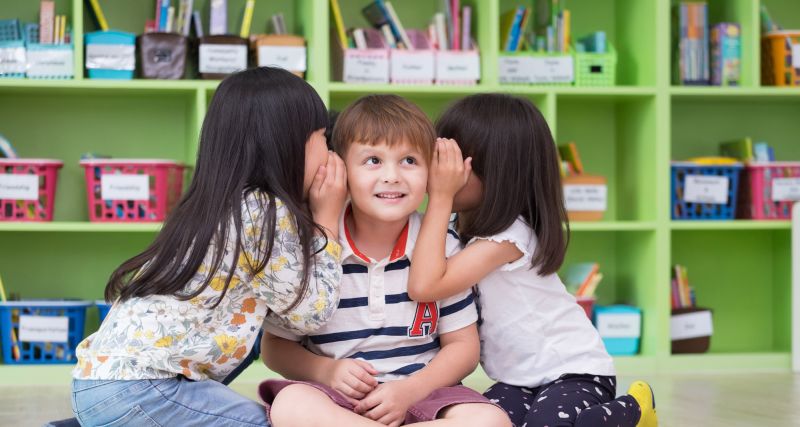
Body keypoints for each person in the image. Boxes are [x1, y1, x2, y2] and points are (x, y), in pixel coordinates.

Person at [70, 67, 348, 427]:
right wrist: (327, 220)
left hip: (99, 385)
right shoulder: (264, 211)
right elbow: (311, 313)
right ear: (289, 143)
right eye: (323, 138)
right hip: (142, 390)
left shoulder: (214, 205)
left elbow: (280, 311)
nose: (329, 153)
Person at [259, 94, 511, 427]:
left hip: (423, 394)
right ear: (341, 168)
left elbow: (463, 348)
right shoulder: (316, 245)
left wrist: (410, 390)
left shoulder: (441, 244)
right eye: (373, 160)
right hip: (334, 396)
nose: (392, 176)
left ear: (430, 172)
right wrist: (326, 370)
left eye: (409, 160)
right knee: (291, 405)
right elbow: (275, 346)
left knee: (490, 420)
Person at [407, 93, 658, 427]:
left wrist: (440, 196)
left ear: (495, 171)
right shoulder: (455, 226)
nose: (436, 172)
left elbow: (426, 285)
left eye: (451, 162)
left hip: (573, 371)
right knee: (489, 420)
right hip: (517, 379)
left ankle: (635, 410)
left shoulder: (510, 237)